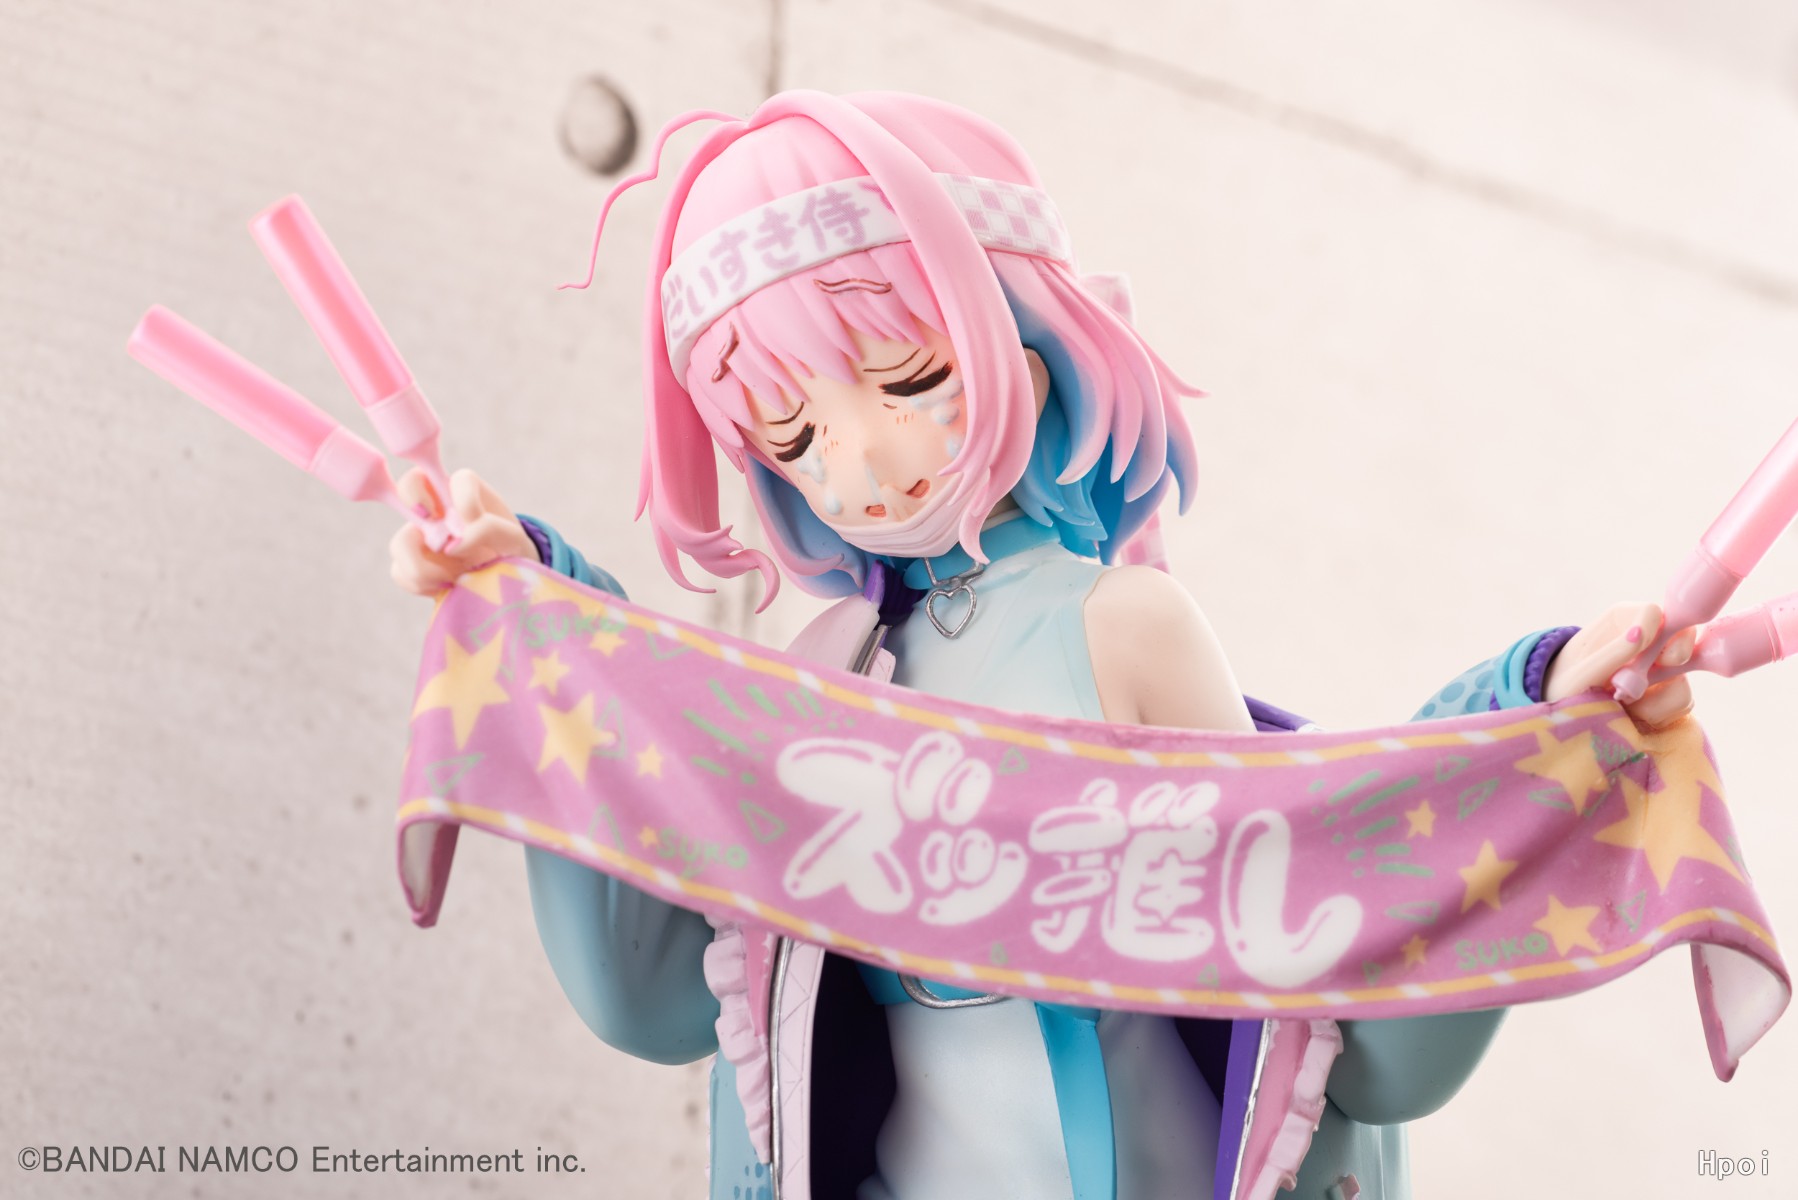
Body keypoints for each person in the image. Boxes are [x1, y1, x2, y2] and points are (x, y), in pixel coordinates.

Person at [389, 90, 1695, 1200]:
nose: (861, 465)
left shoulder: (1121, 624)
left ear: (1024, 338)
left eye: (911, 381)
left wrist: (1530, 719)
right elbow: (675, 973)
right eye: (794, 438)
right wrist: (537, 612)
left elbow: (1298, 924)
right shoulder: (825, 659)